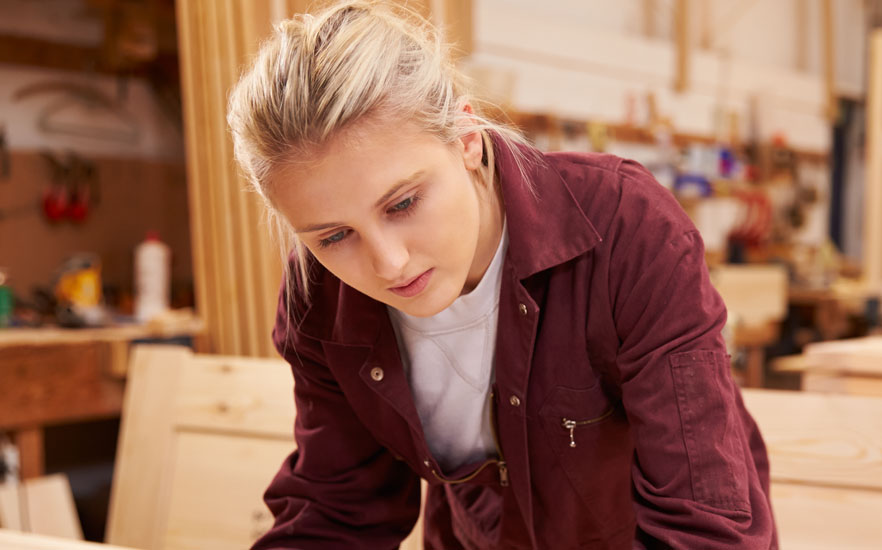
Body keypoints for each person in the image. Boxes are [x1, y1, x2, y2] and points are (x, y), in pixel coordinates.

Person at [226, 2, 776, 548]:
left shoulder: (627, 229)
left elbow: (706, 525)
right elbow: (337, 511)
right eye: (334, 237)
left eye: (404, 203)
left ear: (465, 136)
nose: (389, 264)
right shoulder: (319, 298)